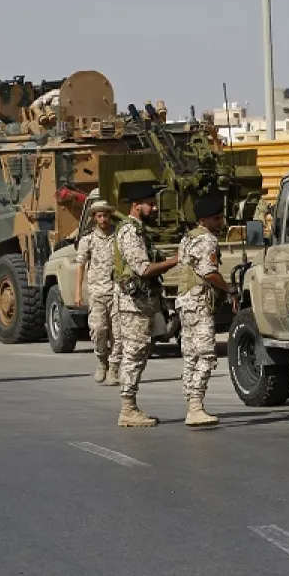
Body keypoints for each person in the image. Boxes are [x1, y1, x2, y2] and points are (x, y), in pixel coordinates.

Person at [113, 183, 178, 427]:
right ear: (136, 205)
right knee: (134, 353)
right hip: (133, 305)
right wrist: (175, 261)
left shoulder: (140, 231)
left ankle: (130, 406)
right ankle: (127, 409)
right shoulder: (130, 232)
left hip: (142, 303)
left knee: (139, 352)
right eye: (149, 204)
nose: (154, 208)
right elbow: (143, 269)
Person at [178, 195, 236, 427]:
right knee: (206, 355)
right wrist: (229, 289)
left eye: (221, 217)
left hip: (186, 302)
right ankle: (195, 407)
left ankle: (191, 404)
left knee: (191, 355)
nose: (220, 222)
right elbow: (209, 272)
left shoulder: (188, 238)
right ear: (203, 220)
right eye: (216, 219)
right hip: (199, 302)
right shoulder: (207, 240)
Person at [75, 201, 122, 386]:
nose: (103, 219)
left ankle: (114, 369)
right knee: (98, 329)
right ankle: (102, 360)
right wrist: (78, 291)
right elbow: (80, 265)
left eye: (106, 216)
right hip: (97, 292)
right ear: (94, 218)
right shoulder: (88, 240)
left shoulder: (118, 236)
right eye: (100, 216)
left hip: (117, 292)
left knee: (117, 333)